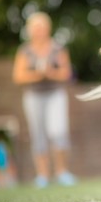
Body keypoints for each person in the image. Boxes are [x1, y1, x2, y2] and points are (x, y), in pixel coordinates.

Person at [12, 12, 76, 188]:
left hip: (55, 94)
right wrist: (38, 75)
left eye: (42, 27)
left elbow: (66, 73)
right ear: (30, 30)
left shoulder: (58, 48)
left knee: (59, 132)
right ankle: (43, 176)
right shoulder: (24, 50)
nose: (39, 31)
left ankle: (62, 172)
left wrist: (50, 73)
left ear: (48, 28)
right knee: (38, 135)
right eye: (36, 27)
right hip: (33, 96)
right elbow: (18, 76)